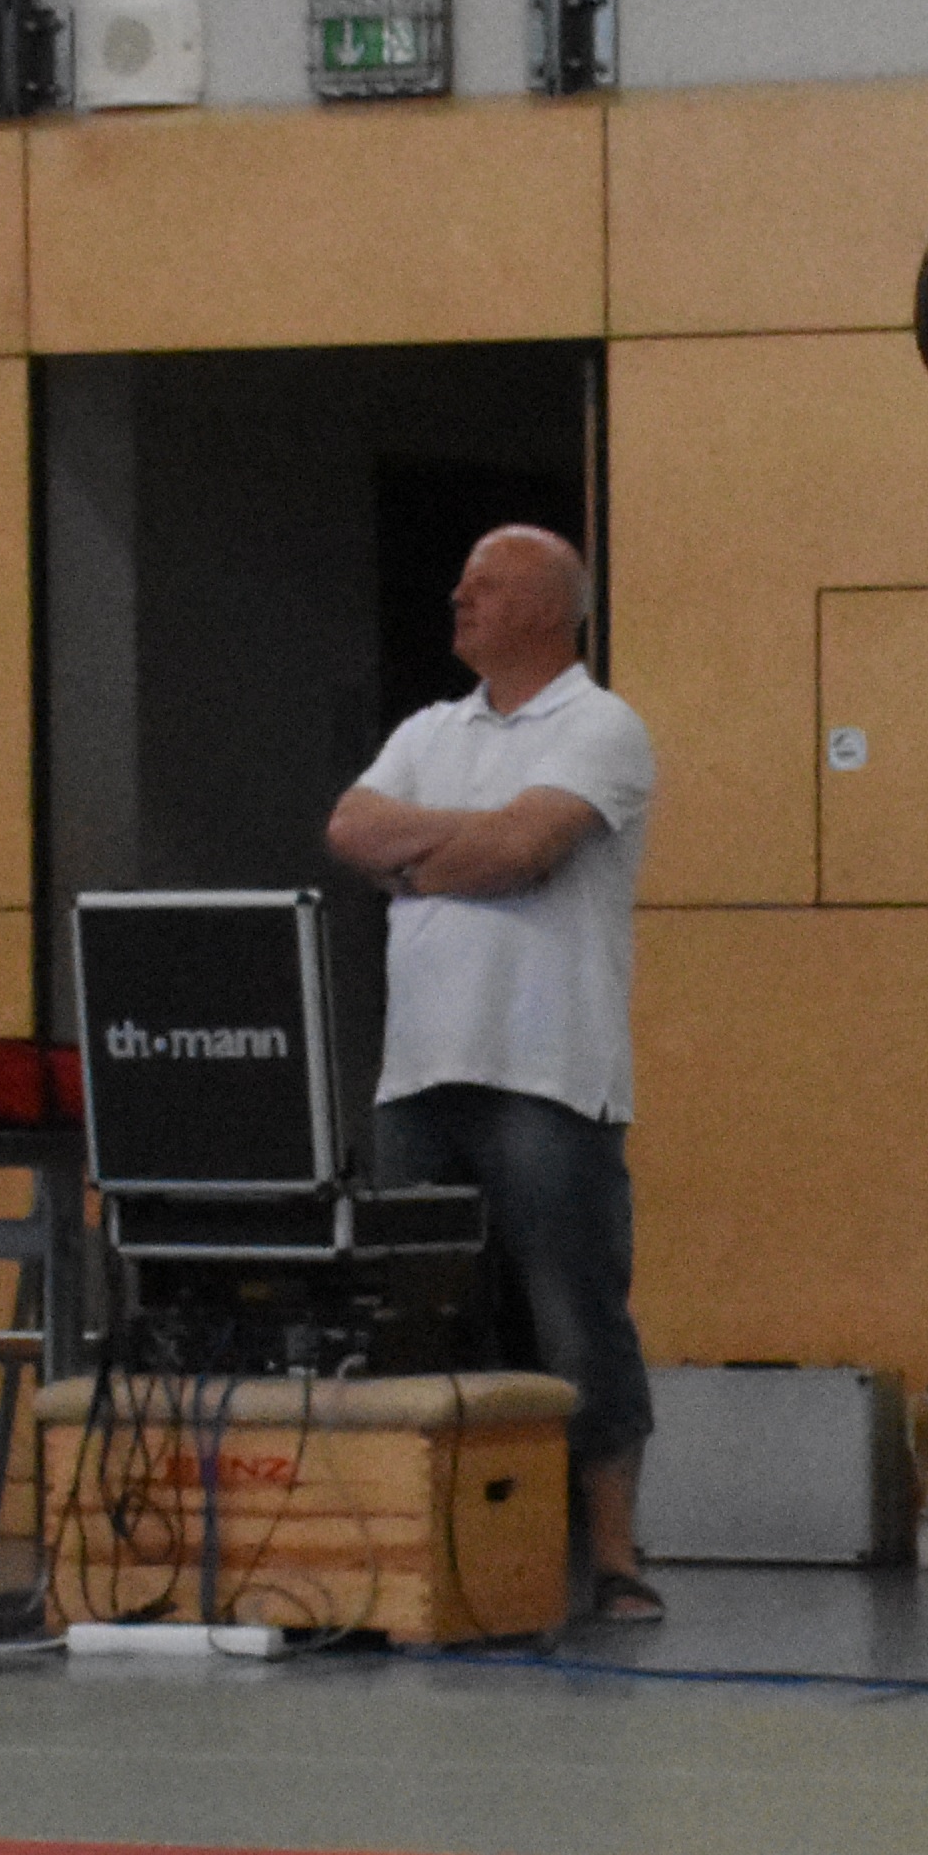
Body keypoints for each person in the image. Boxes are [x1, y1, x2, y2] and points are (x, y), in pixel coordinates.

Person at [322, 525, 663, 1622]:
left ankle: (613, 1557)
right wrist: (471, 843)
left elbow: (525, 851)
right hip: (419, 1073)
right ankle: (437, 1552)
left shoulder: (602, 726)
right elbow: (350, 828)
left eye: (486, 585)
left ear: (551, 607)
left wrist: (421, 862)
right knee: (416, 1316)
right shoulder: (429, 728)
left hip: (546, 1070)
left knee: (575, 1316)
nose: (458, 598)